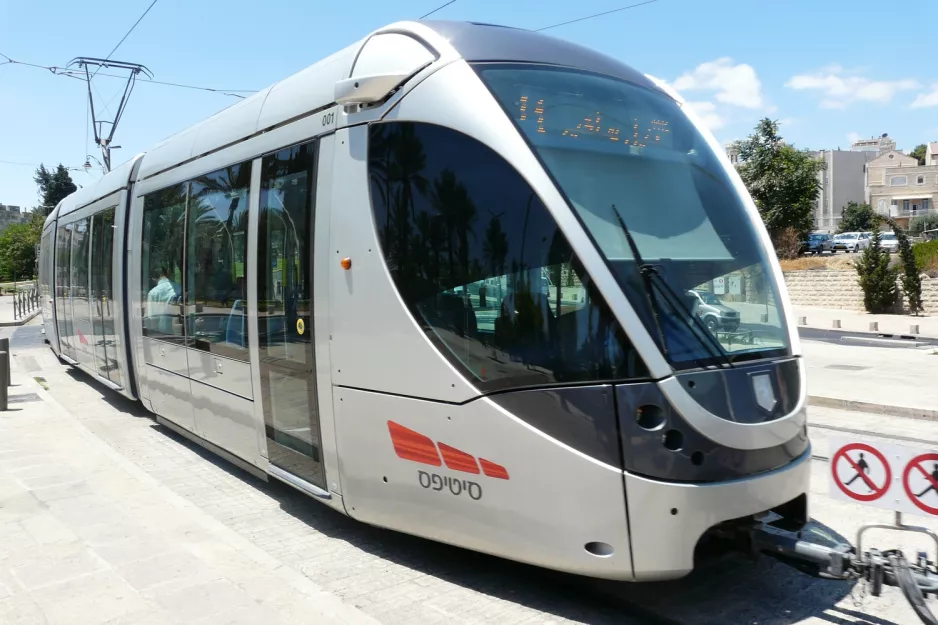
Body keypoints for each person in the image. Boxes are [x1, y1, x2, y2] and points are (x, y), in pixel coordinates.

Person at [146, 267, 181, 335]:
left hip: (162, 331)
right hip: (180, 329)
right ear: (167, 274)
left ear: (153, 278)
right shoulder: (179, 287)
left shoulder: (153, 293)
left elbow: (152, 318)